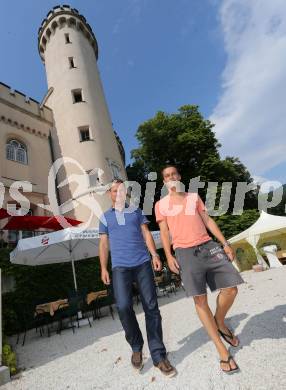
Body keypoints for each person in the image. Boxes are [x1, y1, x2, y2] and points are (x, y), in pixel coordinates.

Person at [155, 166, 244, 375]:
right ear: (164, 182)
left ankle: (220, 322)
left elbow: (208, 220)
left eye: (173, 174)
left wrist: (225, 243)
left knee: (231, 288)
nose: (171, 178)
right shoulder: (161, 205)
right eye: (166, 176)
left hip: (207, 246)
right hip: (184, 253)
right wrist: (168, 256)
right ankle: (222, 350)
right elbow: (164, 231)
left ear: (179, 176)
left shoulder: (194, 197)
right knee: (200, 299)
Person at [99, 179, 176, 377]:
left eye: (121, 190)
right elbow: (103, 244)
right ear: (110, 194)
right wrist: (103, 268)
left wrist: (155, 255)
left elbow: (146, 233)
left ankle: (159, 355)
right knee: (123, 307)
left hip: (142, 263)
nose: (118, 193)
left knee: (151, 307)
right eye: (114, 191)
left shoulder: (135, 211)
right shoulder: (105, 217)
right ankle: (136, 346)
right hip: (119, 268)